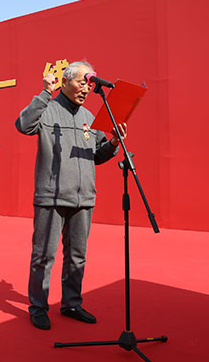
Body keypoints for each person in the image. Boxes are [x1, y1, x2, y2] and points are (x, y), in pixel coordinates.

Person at [15, 61, 127, 330]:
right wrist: (45, 93)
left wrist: (113, 142)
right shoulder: (47, 109)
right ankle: (38, 306)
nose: (86, 89)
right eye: (81, 83)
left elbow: (97, 156)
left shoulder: (89, 117)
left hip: (83, 198)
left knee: (77, 256)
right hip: (51, 198)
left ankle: (71, 303)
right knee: (43, 256)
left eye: (88, 85)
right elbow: (23, 125)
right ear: (64, 82)